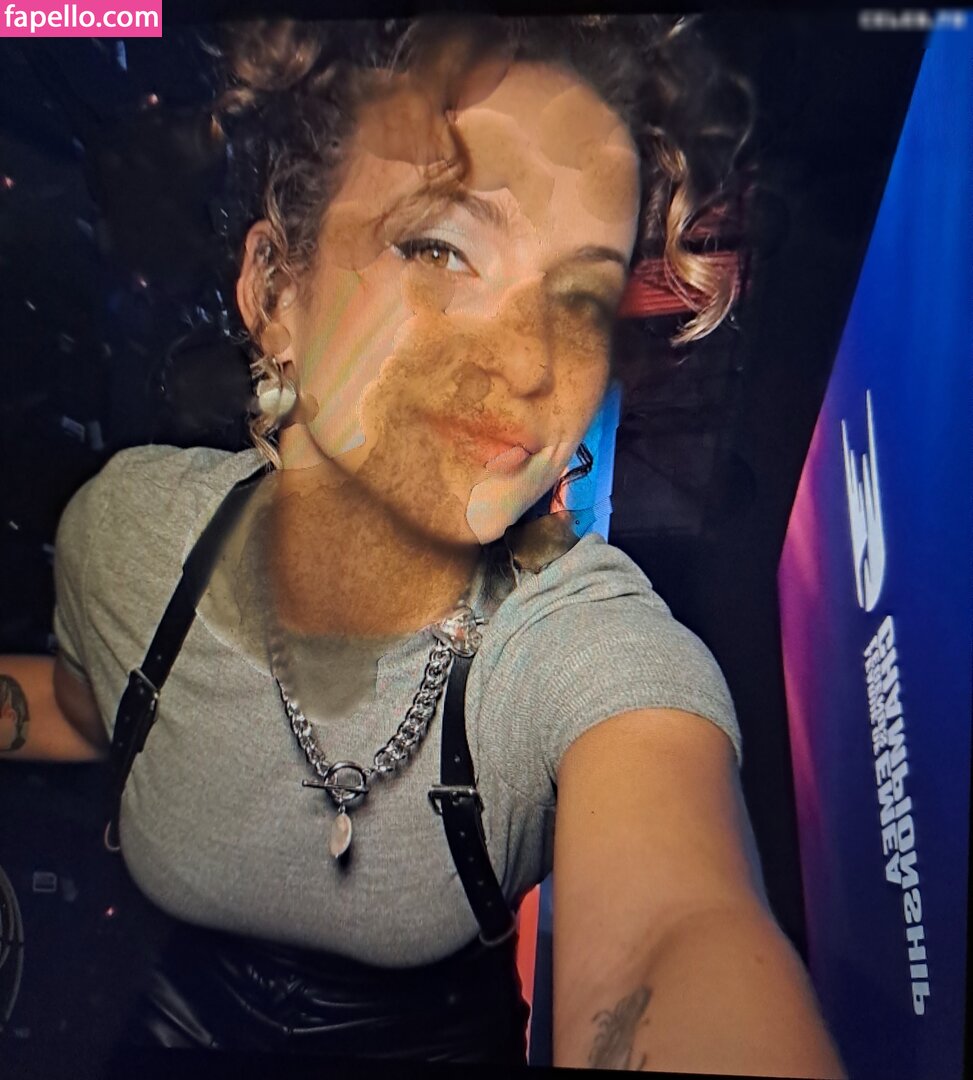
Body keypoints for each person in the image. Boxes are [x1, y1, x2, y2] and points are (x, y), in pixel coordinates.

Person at [0, 13, 847, 1075]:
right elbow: (85, 704)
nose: (531, 365)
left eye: (579, 299)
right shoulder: (129, 532)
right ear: (275, 288)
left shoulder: (580, 644)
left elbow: (675, 930)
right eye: (442, 248)